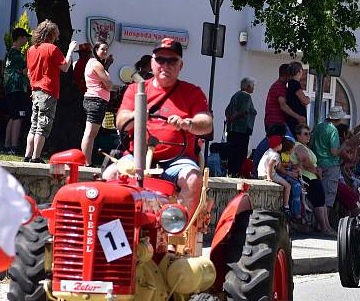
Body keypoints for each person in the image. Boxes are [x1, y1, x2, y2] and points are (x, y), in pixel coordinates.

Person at [108, 37, 213, 213]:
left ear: (181, 66)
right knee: (110, 175)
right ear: (152, 63)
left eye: (172, 60)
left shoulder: (192, 92)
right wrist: (138, 114)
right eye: (160, 59)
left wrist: (188, 123)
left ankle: (178, 231)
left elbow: (206, 123)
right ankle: (116, 230)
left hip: (178, 161)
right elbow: (121, 122)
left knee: (193, 179)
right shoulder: (136, 90)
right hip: (137, 159)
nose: (166, 65)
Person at [25, 20, 77, 164]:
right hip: (48, 92)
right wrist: (70, 51)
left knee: (34, 125)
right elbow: (65, 67)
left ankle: (27, 155)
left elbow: (29, 72)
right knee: (43, 125)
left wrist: (34, 86)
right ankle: (36, 157)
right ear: (52, 34)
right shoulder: (52, 49)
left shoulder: (31, 50)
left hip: (35, 91)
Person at [292, 124, 334, 235]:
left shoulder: (304, 146)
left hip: (312, 176)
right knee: (318, 202)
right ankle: (324, 228)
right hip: (308, 177)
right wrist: (316, 171)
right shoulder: (298, 146)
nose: (308, 136)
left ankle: (327, 227)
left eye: (309, 134)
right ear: (298, 136)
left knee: (321, 201)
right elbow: (305, 160)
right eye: (305, 134)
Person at [80, 41, 113, 165]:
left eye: (106, 49)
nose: (105, 52)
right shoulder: (96, 64)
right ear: (96, 50)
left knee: (90, 133)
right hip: (96, 100)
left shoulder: (94, 63)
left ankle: (86, 161)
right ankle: (86, 162)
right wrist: (107, 86)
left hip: (93, 99)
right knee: (90, 133)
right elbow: (109, 84)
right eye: (102, 49)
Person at [312, 105, 346, 211]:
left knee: (319, 197)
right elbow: (334, 152)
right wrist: (344, 145)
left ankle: (320, 224)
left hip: (317, 164)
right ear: (339, 118)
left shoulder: (318, 126)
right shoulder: (333, 130)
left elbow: (311, 144)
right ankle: (324, 225)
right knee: (328, 198)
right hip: (330, 165)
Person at [3, 27, 31, 155]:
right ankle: (14, 147)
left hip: (10, 90)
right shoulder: (17, 55)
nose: (26, 40)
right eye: (25, 38)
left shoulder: (9, 53)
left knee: (13, 116)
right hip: (17, 89)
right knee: (18, 117)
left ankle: (7, 145)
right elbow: (25, 71)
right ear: (20, 38)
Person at [224, 76, 257, 175]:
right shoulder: (246, 95)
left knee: (232, 152)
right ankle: (238, 173)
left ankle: (231, 172)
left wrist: (229, 119)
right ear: (248, 86)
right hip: (242, 129)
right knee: (241, 153)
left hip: (232, 129)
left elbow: (227, 110)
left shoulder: (235, 95)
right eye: (252, 86)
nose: (253, 88)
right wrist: (234, 118)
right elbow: (244, 110)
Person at [264, 63, 303, 138]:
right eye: (291, 74)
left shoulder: (275, 85)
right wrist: (298, 116)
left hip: (271, 121)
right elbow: (283, 105)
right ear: (287, 74)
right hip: (277, 122)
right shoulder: (280, 87)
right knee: (290, 143)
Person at [257, 134, 292, 216]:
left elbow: (279, 167)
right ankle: (286, 206)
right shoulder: (276, 155)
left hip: (260, 173)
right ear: (278, 145)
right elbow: (270, 165)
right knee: (288, 186)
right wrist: (269, 178)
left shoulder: (268, 151)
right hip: (269, 174)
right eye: (281, 144)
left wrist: (289, 171)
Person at [278, 139, 303, 220]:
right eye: (292, 148)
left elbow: (291, 164)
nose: (293, 150)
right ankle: (296, 212)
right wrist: (287, 165)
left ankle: (298, 211)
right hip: (284, 174)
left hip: (288, 172)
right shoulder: (281, 155)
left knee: (298, 188)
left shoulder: (288, 156)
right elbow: (281, 166)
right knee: (296, 186)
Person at [285, 61, 310, 136]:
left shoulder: (290, 83)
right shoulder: (295, 84)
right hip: (297, 121)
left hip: (294, 119)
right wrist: (307, 98)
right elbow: (305, 100)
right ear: (299, 71)